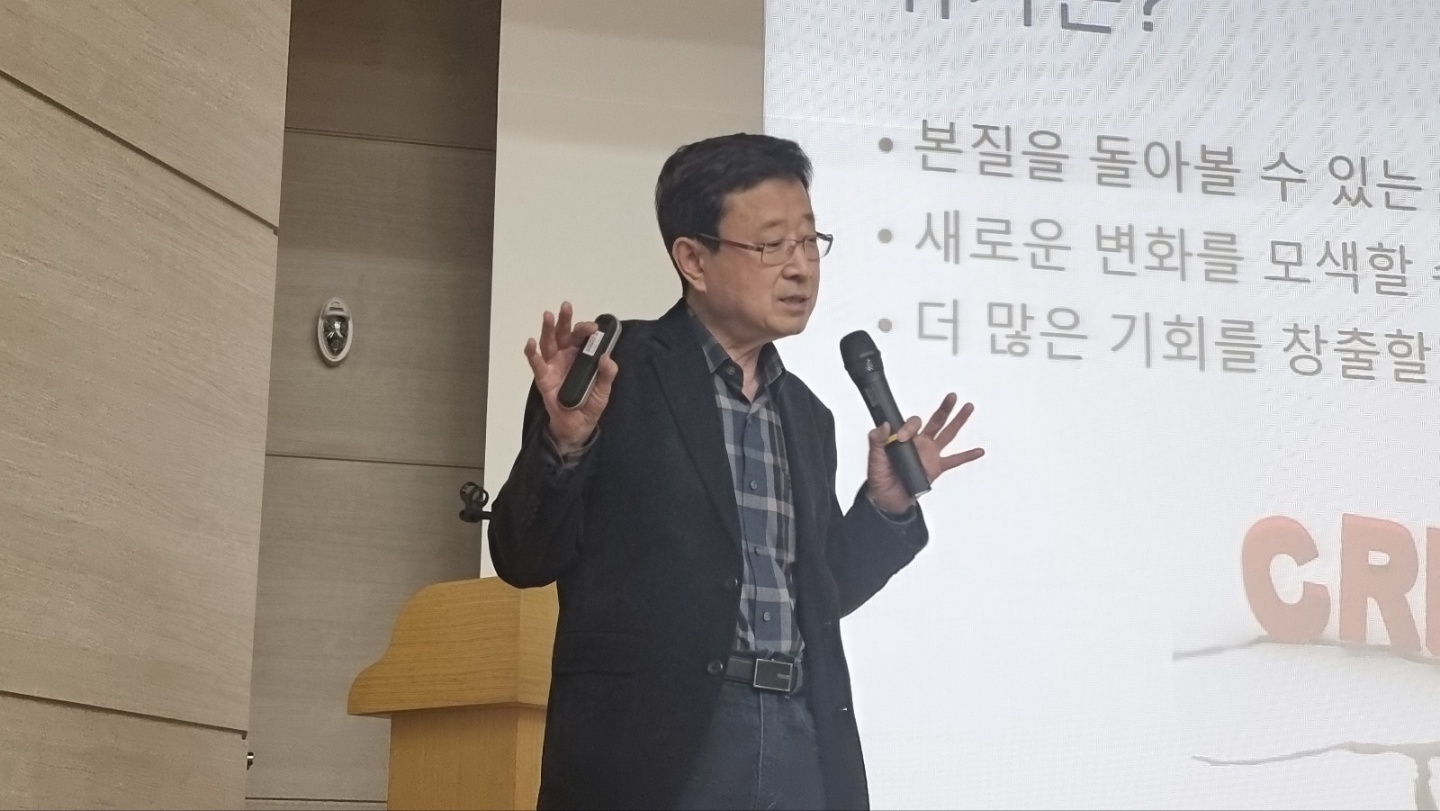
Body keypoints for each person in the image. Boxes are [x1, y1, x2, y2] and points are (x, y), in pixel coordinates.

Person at [488, 133, 984, 810]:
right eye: (773, 244)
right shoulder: (614, 376)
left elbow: (823, 593)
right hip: (657, 745)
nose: (801, 268)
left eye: (810, 242)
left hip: (798, 730)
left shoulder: (806, 415)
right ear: (693, 258)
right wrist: (564, 442)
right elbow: (524, 556)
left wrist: (885, 506)